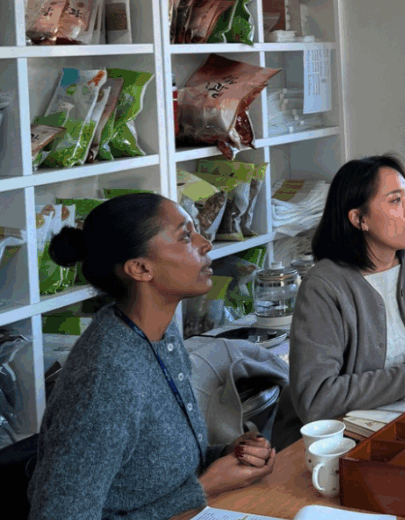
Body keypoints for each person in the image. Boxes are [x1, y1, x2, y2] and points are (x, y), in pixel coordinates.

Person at [28, 193, 276, 519]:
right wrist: (205, 487)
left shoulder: (159, 333)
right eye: (186, 236)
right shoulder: (107, 378)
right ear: (141, 268)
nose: (206, 244)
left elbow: (151, 469)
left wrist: (226, 455)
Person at [289, 154, 405, 422]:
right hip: (341, 435)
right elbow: (316, 397)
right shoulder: (323, 287)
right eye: (395, 200)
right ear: (359, 219)